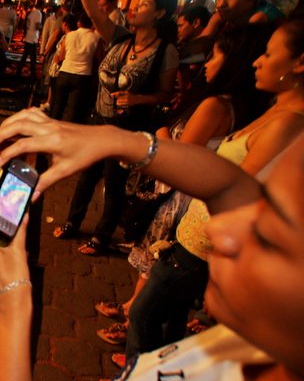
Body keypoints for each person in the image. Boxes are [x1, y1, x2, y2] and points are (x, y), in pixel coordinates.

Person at [0, 108, 304, 381]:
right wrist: (117, 141)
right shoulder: (271, 350)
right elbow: (229, 184)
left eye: (269, 236)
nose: (221, 231)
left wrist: (11, 304)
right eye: (262, 203)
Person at [121, 19, 304, 359]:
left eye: (268, 53)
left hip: (204, 247)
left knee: (142, 315)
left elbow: (238, 195)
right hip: (195, 237)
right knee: (167, 324)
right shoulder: (273, 109)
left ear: (299, 62)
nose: (257, 62)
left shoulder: (290, 124)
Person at [95, 25, 273, 348]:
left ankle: (136, 377)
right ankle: (141, 337)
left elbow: (179, 156)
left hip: (191, 216)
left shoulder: (220, 106)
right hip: (197, 218)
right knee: (168, 307)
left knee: (148, 309)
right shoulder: (251, 109)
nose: (206, 63)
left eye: (214, 56)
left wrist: (157, 131)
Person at [53, 0, 179, 256]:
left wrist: (139, 98)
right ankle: (72, 222)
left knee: (114, 183)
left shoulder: (166, 52)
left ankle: (102, 235)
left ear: (160, 13)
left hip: (126, 129)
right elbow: (94, 13)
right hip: (99, 120)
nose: (135, 8)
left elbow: (166, 94)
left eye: (144, 4)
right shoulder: (121, 38)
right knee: (87, 176)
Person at [51, 12, 102, 124]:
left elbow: (62, 56)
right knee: (72, 110)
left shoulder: (70, 35)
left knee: (57, 106)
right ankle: (64, 134)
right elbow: (99, 59)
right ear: (92, 24)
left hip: (65, 72)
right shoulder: (96, 38)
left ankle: (50, 129)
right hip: (82, 76)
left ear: (79, 23)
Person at [18, 2, 42, 79]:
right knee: (33, 57)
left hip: (28, 36)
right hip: (33, 38)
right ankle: (32, 74)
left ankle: (19, 70)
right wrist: (42, 27)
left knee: (25, 56)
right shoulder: (38, 13)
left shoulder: (31, 12)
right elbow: (37, 26)